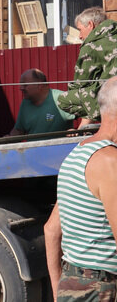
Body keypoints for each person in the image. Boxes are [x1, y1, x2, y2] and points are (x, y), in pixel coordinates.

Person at [44, 76, 117, 300]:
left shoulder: (77, 154)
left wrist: (58, 292)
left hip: (73, 286)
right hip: (103, 289)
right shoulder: (110, 162)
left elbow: (51, 230)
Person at [58, 6, 117, 128]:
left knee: (62, 100)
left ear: (90, 25)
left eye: (80, 29)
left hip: (111, 98)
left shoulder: (91, 45)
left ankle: (106, 119)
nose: (80, 36)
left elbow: (81, 82)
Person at [7, 69, 75, 136]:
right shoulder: (26, 103)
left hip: (58, 146)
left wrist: (78, 130)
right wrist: (8, 139)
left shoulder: (60, 98)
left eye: (25, 85)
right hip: (32, 147)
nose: (21, 88)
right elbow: (19, 130)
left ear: (39, 85)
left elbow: (85, 110)